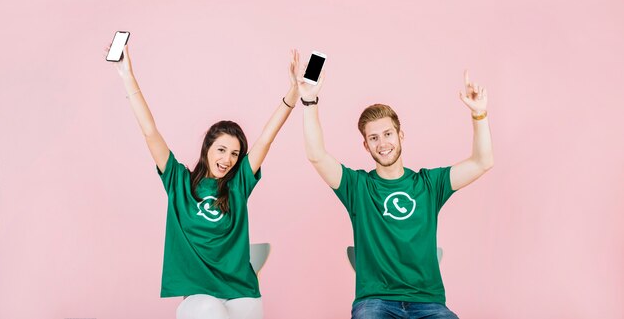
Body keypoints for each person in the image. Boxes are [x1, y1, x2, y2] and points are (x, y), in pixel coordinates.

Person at [109, 43, 300, 319]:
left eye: (235, 153)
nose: (228, 159)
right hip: (199, 298)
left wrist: (293, 93)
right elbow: (150, 132)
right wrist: (128, 76)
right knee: (208, 308)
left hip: (242, 293)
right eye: (221, 150)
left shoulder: (238, 185)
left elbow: (266, 138)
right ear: (207, 149)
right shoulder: (178, 181)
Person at [298, 69, 493, 319]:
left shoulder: (429, 184)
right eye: (374, 138)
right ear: (366, 145)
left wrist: (479, 114)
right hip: (375, 303)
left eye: (388, 134)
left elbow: (482, 162)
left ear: (400, 135)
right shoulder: (357, 187)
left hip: (428, 303)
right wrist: (309, 101)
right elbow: (316, 154)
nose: (383, 143)